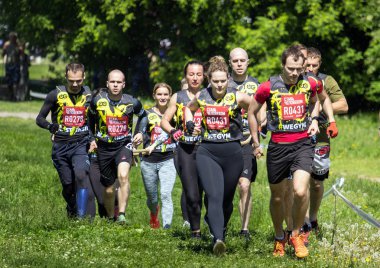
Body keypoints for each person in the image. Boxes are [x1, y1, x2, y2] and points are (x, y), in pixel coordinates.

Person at [248, 45, 339, 258]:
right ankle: (280, 237)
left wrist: (319, 119)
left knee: (300, 191)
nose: (294, 73)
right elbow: (251, 112)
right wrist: (255, 142)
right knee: (278, 197)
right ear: (283, 66)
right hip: (278, 146)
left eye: (298, 69)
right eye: (290, 68)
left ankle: (297, 234)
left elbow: (320, 99)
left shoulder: (311, 82)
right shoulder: (268, 86)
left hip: (303, 144)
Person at [185, 56, 251, 256]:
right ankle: (218, 239)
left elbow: (256, 106)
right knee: (214, 195)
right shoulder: (202, 96)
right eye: (216, 81)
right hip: (207, 151)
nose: (220, 85)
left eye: (223, 81)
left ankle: (217, 227)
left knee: (226, 200)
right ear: (209, 80)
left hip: (232, 151)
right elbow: (188, 109)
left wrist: (257, 127)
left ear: (228, 79)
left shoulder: (238, 96)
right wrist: (190, 124)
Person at [36, 62, 95, 218]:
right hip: (60, 146)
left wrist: (93, 138)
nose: (75, 84)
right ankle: (72, 207)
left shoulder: (89, 95)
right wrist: (50, 127)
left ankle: (81, 219)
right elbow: (39, 118)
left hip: (80, 144)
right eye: (71, 81)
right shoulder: (54, 94)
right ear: (65, 78)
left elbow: (94, 120)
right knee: (68, 185)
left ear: (84, 77)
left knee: (81, 175)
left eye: (78, 81)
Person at [88, 69, 147, 223]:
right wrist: (91, 138)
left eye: (118, 82)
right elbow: (90, 121)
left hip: (124, 144)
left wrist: (140, 132)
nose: (115, 85)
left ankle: (122, 215)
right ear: (107, 84)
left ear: (124, 84)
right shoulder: (97, 101)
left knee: (123, 176)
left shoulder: (132, 101)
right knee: (108, 190)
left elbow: (144, 116)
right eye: (112, 82)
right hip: (104, 147)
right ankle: (110, 217)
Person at [302, 47, 348, 239]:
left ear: (320, 64)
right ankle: (302, 222)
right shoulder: (295, 79)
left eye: (315, 65)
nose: (311, 68)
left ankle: (313, 218)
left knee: (317, 182)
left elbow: (343, 105)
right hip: (298, 136)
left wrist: (318, 109)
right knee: (300, 181)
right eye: (308, 65)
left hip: (321, 137)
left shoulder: (326, 80)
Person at [161, 60, 204, 238]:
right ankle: (195, 232)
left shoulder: (210, 95)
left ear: (204, 76)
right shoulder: (177, 97)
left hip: (207, 149)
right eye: (191, 74)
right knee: (192, 194)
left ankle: (213, 228)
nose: (195, 78)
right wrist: (173, 130)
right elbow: (164, 120)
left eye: (199, 74)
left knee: (208, 192)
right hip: (185, 150)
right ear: (186, 75)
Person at [228, 47, 264, 238]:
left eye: (243, 60)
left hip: (247, 140)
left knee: (244, 184)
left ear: (248, 62)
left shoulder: (256, 84)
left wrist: (260, 127)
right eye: (235, 61)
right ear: (230, 63)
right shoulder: (222, 83)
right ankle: (221, 225)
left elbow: (262, 109)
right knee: (227, 186)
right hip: (224, 140)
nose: (239, 64)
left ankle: (244, 229)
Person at [140, 83, 177, 229]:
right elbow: (141, 132)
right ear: (154, 96)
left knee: (166, 194)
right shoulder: (146, 114)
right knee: (152, 197)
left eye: (165, 94)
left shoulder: (174, 113)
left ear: (170, 96)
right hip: (148, 160)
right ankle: (154, 213)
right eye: (159, 94)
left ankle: (166, 227)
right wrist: (138, 137)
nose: (162, 97)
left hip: (168, 159)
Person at [2, 32, 21, 101]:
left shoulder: (18, 45)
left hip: (16, 64)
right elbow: (3, 53)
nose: (13, 38)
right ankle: (11, 95)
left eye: (14, 37)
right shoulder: (7, 44)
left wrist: (20, 48)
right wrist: (4, 50)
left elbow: (21, 54)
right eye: (12, 37)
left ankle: (15, 96)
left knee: (16, 81)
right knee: (9, 81)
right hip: (9, 64)